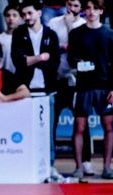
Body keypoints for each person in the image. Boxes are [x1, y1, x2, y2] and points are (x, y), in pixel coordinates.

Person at [68, 0, 113, 179]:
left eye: (95, 8)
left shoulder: (110, 34)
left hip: (105, 87)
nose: (91, 11)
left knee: (108, 126)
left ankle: (107, 168)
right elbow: (70, 59)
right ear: (84, 10)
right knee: (79, 126)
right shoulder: (76, 33)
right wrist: (81, 64)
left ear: (101, 11)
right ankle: (79, 167)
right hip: (83, 87)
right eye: (88, 8)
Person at [48, 0, 89, 178]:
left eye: (76, 6)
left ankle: (85, 161)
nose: (72, 9)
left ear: (82, 8)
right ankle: (49, 162)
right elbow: (48, 48)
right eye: (70, 4)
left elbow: (82, 51)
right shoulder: (53, 23)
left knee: (81, 122)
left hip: (77, 80)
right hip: (57, 79)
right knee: (51, 122)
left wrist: (70, 27)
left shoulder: (85, 25)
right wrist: (60, 48)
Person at [11, 0, 60, 95]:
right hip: (24, 88)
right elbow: (18, 61)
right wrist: (41, 57)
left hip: (48, 87)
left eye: (30, 13)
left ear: (39, 13)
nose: (27, 17)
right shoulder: (18, 34)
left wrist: (30, 60)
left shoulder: (51, 35)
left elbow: (54, 62)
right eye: (24, 14)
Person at [0, 4, 22, 74]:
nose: (11, 18)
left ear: (20, 18)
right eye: (8, 15)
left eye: (14, 15)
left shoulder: (24, 38)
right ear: (4, 18)